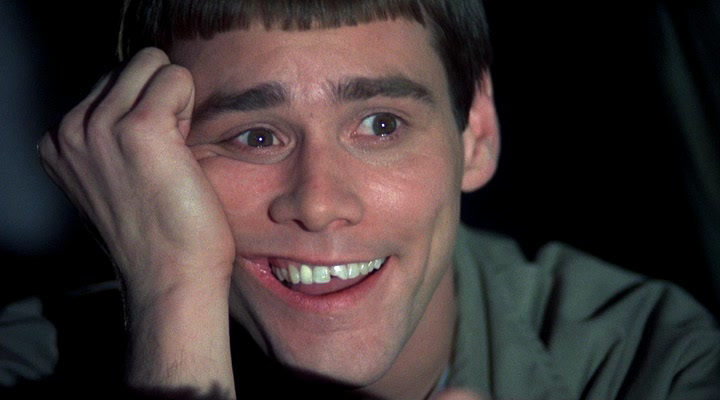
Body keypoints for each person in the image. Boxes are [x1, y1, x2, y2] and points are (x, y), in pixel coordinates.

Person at [22, 0, 720, 398]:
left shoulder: (655, 363)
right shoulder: (30, 362)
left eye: (381, 126)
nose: (320, 203)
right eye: (255, 137)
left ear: (475, 135)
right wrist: (176, 295)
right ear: (148, 157)